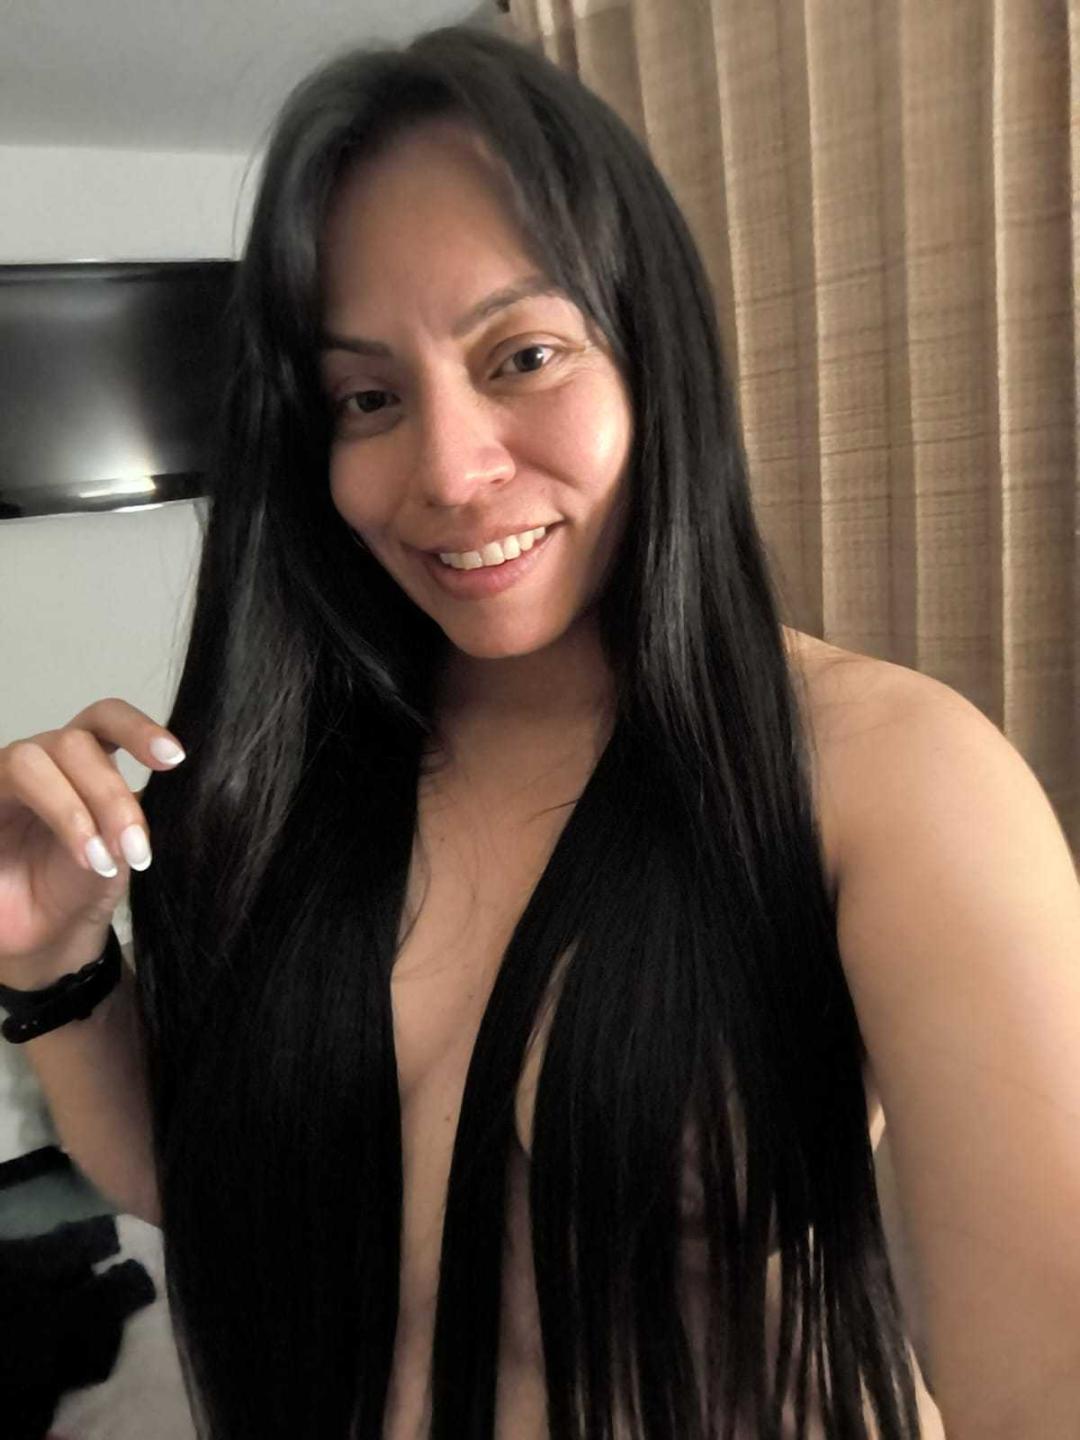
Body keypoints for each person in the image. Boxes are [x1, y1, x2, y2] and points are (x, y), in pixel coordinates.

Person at [3, 21, 1078, 1440]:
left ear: (652, 357)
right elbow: (215, 1193)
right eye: (368, 398)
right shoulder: (295, 767)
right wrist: (51, 959)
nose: (449, 471)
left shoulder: (885, 776)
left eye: (522, 354)